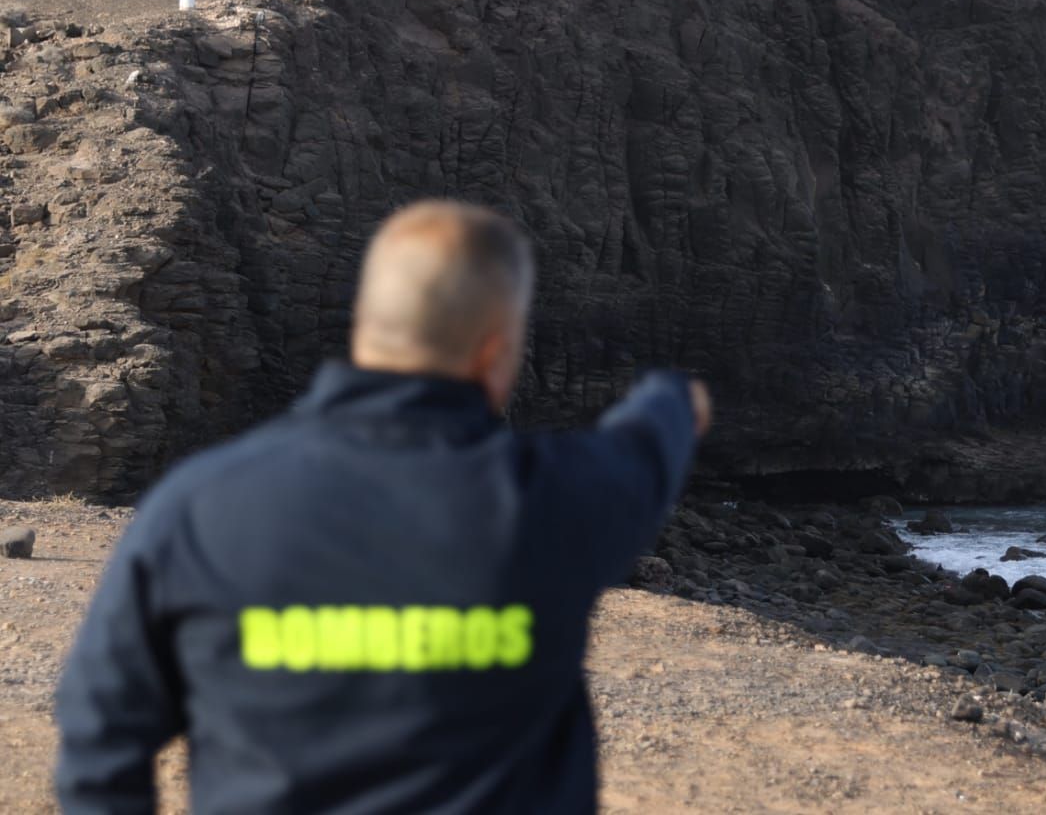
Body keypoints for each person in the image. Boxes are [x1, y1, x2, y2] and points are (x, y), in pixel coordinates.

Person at [55, 200, 711, 814]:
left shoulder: (198, 506)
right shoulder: (562, 499)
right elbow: (645, 446)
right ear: (496, 349)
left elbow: (100, 735)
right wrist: (675, 398)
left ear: (366, 326)